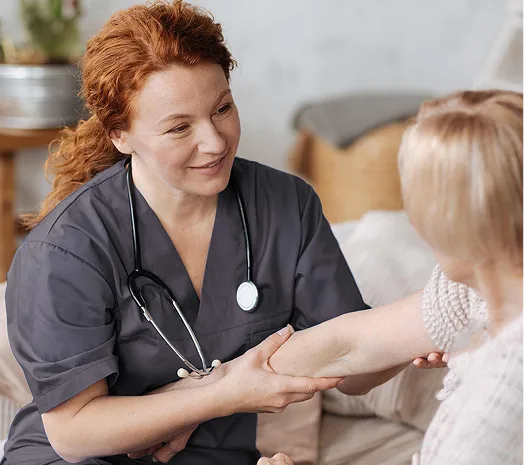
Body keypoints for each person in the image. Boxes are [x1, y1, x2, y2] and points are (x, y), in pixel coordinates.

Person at [0, 2, 444, 464]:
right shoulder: (67, 248)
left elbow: (346, 358)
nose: (214, 142)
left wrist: (417, 336)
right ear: (120, 135)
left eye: (222, 108)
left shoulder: (284, 204)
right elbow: (74, 432)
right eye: (178, 128)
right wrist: (222, 394)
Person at [259, 90, 524, 464]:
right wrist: (207, 400)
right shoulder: (478, 284)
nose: (409, 219)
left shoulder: (501, 391)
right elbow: (348, 344)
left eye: (412, 203)